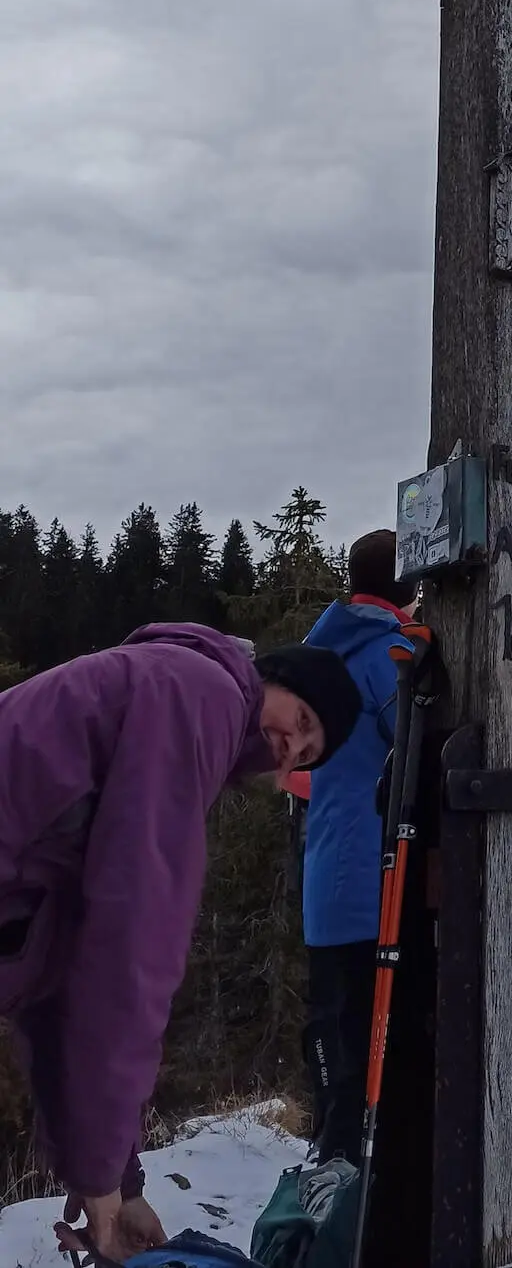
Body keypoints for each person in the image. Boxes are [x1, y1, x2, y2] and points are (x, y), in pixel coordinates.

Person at [0, 622, 361, 1266]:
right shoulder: (200, 696)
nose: (293, 746)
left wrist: (113, 1179)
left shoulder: (179, 694)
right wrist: (103, 1175)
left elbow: (57, 977)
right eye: (300, 718)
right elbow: (132, 950)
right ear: (272, 678)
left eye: (308, 752)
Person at [299, 529, 418, 1166]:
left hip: (325, 878)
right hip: (376, 883)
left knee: (332, 1036)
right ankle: (356, 1197)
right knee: (371, 1050)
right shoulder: (388, 656)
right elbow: (418, 747)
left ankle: (328, 1175)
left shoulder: (323, 655)